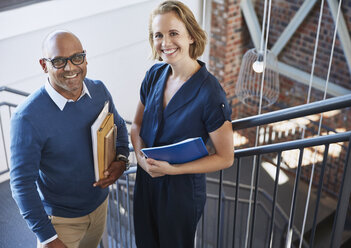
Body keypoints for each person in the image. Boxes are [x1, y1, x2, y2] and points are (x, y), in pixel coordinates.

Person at [10, 30, 130, 248]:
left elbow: (120, 126)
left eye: (77, 57)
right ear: (44, 65)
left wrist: (122, 160)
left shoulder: (99, 90)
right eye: (58, 61)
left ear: (85, 58)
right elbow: (21, 184)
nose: (70, 67)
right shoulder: (26, 117)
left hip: (99, 208)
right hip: (60, 223)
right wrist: (48, 237)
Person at [130, 1, 234, 247]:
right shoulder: (154, 75)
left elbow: (225, 157)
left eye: (173, 33)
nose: (165, 43)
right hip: (147, 180)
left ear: (190, 36)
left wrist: (173, 170)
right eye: (158, 35)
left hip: (181, 191)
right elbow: (136, 125)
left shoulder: (210, 92)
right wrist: (140, 158)